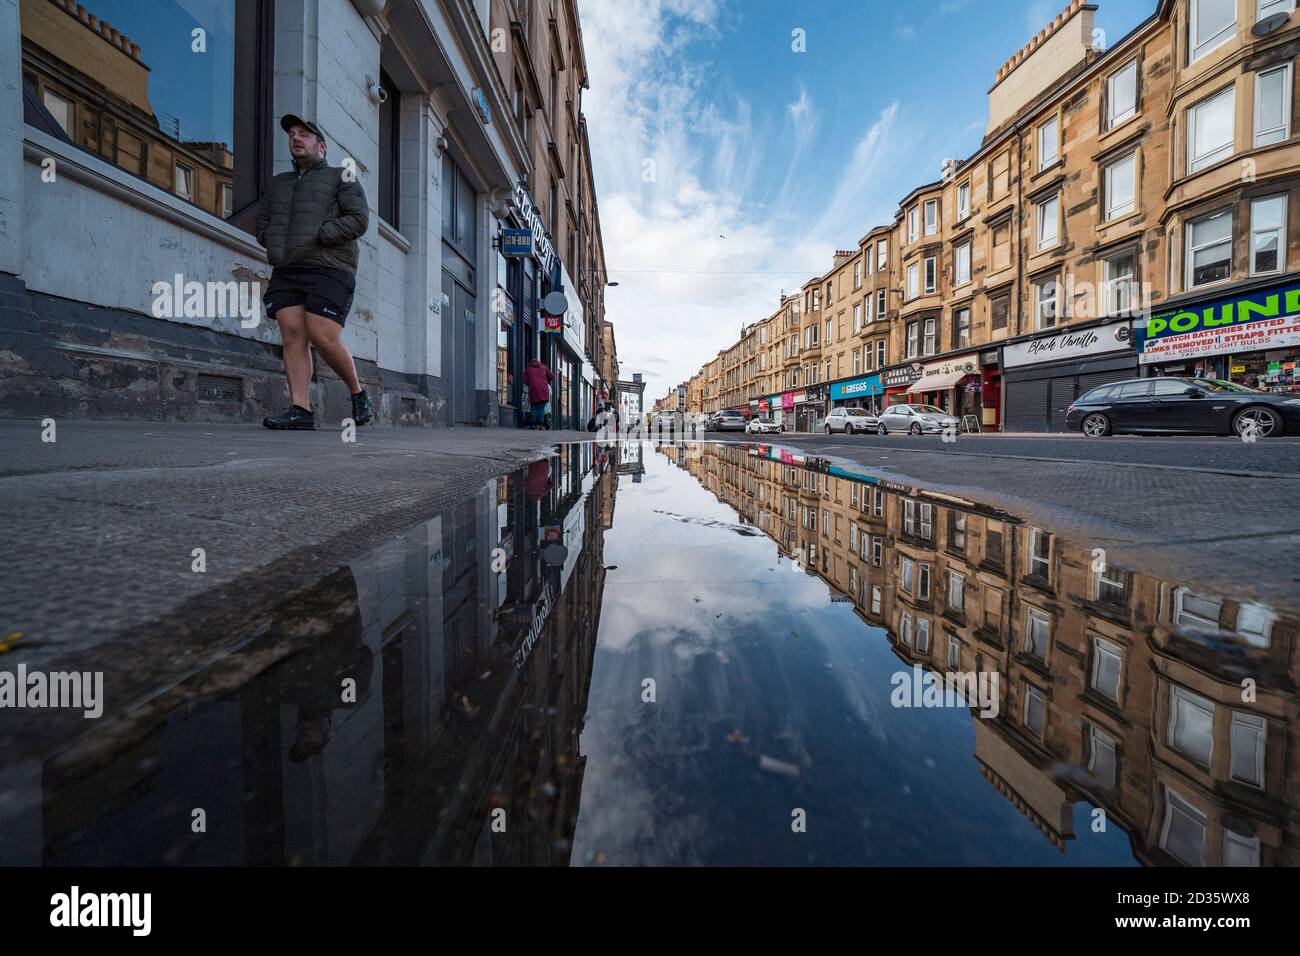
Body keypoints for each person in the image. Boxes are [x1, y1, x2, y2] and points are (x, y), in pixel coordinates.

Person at [257, 115, 372, 430]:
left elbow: (358, 219)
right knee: (293, 336)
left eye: (304, 134)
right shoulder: (278, 183)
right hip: (287, 267)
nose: (296, 138)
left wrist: (321, 234)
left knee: (322, 334)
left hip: (329, 266)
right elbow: (263, 221)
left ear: (321, 146)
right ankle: (300, 410)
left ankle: (358, 392)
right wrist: (269, 238)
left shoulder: (341, 176)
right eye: (292, 134)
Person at [525, 357, 553, 429]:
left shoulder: (528, 369)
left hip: (533, 390)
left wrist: (530, 384)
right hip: (543, 390)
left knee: (534, 407)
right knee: (541, 408)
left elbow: (525, 380)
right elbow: (552, 376)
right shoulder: (544, 368)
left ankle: (534, 425)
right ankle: (540, 425)